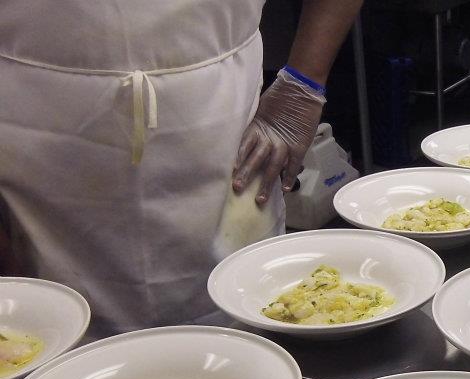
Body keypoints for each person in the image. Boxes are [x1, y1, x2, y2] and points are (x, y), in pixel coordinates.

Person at [0, 0, 363, 338]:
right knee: (47, 343)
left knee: (247, 328)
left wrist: (303, 84)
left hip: (223, 125)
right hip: (37, 137)